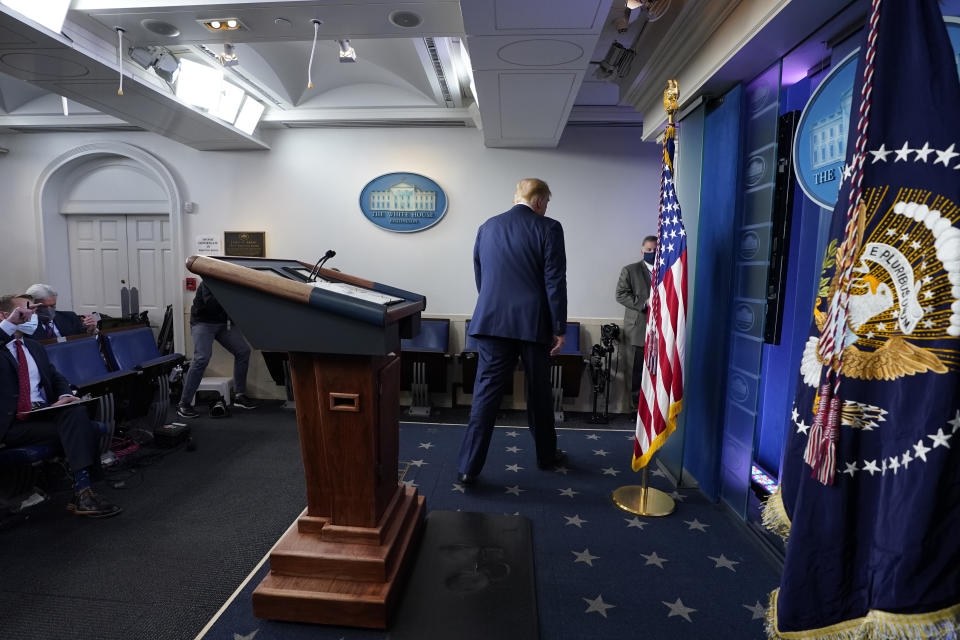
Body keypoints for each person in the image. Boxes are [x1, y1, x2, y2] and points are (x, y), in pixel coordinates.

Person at [456, 178, 568, 485]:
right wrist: (559, 327)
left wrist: (495, 308)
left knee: (486, 394)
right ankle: (546, 456)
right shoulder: (548, 227)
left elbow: (482, 276)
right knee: (539, 393)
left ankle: (468, 467)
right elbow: (554, 281)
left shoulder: (487, 226)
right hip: (534, 324)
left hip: (491, 322)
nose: (546, 208)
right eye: (546, 203)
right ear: (540, 201)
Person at [0, 295, 121, 518]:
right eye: (25, 312)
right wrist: (9, 324)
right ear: (4, 316)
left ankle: (83, 490)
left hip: (40, 414)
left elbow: (56, 377)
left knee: (75, 410)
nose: (31, 316)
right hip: (12, 423)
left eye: (33, 313)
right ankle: (83, 490)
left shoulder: (33, 346)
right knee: (83, 425)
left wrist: (64, 394)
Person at [177, 282, 258, 418]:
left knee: (243, 351)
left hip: (223, 324)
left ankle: (239, 395)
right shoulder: (208, 282)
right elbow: (212, 305)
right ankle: (184, 404)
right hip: (203, 322)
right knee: (202, 358)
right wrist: (233, 298)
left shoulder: (233, 283)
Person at [615, 235, 658, 410]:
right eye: (649, 250)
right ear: (642, 250)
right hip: (638, 329)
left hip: (660, 331)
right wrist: (643, 303)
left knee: (657, 373)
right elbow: (621, 294)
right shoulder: (630, 270)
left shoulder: (668, 271)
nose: (652, 253)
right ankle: (636, 410)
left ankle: (653, 411)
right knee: (636, 372)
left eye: (655, 250)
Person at [24, 283, 97, 339]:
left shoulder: (69, 317)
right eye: (43, 307)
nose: (49, 310)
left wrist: (90, 331)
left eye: (52, 306)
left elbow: (84, 343)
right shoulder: (25, 325)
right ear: (30, 305)